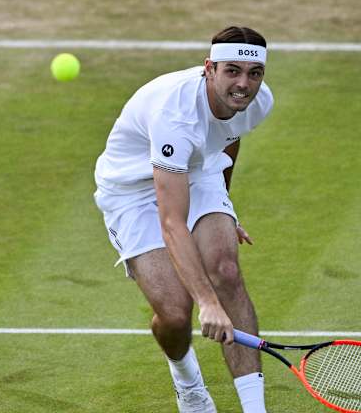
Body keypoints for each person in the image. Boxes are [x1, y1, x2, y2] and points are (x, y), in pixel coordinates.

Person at [93, 26, 273, 413]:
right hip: (133, 190)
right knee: (176, 315)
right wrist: (206, 303)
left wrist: (224, 204)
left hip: (199, 169)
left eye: (253, 74)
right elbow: (173, 222)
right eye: (232, 72)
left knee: (225, 269)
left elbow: (229, 136)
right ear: (209, 69)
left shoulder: (258, 102)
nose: (243, 84)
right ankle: (188, 382)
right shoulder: (174, 115)